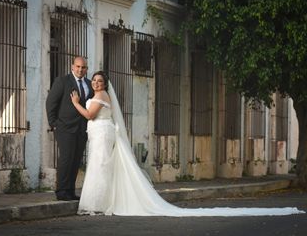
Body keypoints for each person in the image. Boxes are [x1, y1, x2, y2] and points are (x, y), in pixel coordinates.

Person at [71, 70, 304, 217]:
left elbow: (90, 115)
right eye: (94, 80)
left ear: (104, 84)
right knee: (100, 168)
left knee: (100, 168)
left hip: (101, 133)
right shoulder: (102, 95)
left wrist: (75, 104)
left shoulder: (100, 97)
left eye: (100, 81)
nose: (96, 84)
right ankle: (98, 203)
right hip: (102, 133)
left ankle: (97, 204)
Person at [46, 56, 94, 201]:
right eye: (78, 66)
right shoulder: (62, 81)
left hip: (82, 128)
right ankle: (61, 191)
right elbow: (51, 103)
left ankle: (70, 191)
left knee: (76, 160)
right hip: (64, 127)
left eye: (83, 67)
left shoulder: (89, 84)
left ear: (86, 69)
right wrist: (53, 123)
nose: (80, 70)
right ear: (72, 67)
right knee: (66, 158)